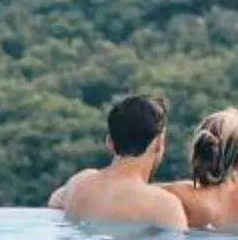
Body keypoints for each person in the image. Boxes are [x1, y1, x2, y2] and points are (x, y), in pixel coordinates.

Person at [46, 93, 191, 231]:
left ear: (109, 142)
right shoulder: (164, 206)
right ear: (159, 143)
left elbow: (54, 202)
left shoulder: (78, 183)